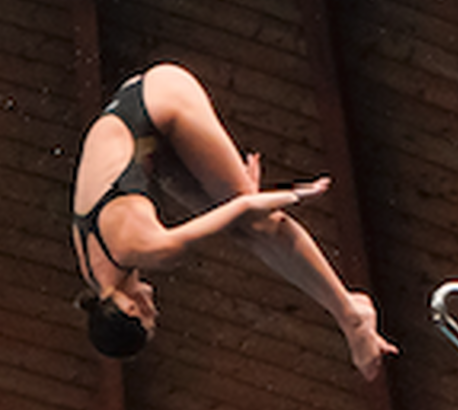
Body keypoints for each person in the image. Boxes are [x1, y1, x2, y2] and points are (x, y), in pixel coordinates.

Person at [70, 62, 398, 380]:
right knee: (243, 224)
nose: (156, 312)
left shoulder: (146, 248)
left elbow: (241, 211)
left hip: (161, 99)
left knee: (259, 224)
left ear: (131, 310)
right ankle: (346, 311)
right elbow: (227, 216)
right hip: (145, 141)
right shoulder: (97, 275)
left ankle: (350, 314)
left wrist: (292, 196)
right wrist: (240, 197)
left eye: (150, 320)